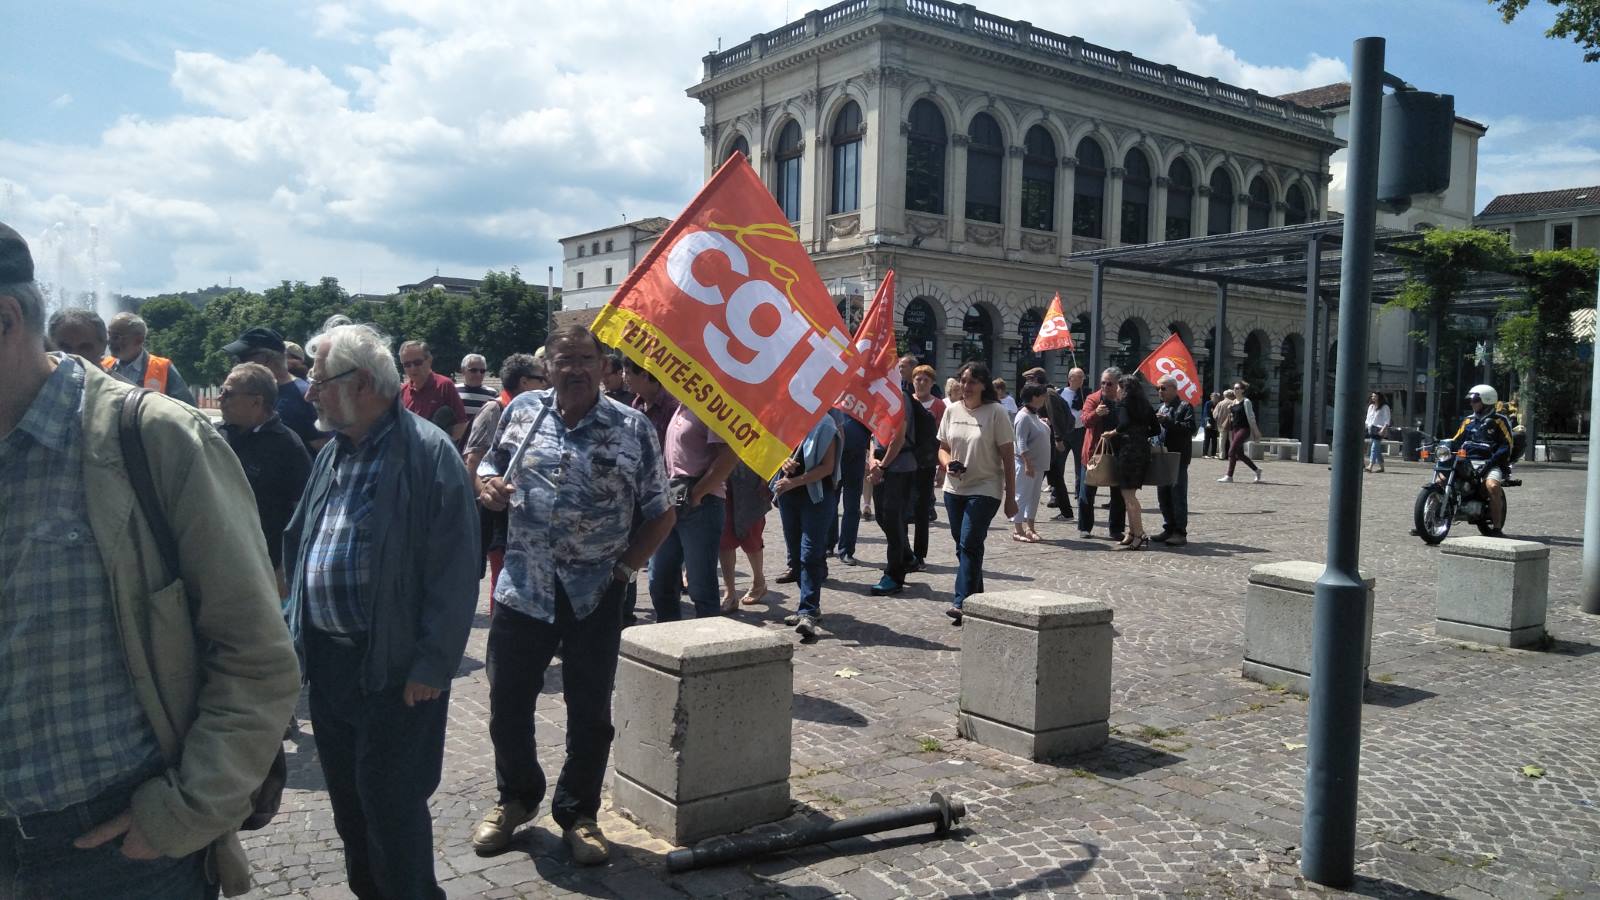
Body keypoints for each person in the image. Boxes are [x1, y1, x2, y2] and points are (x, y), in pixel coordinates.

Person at [0, 222, 300, 898]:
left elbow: (258, 655)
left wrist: (182, 814)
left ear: (6, 319)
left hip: (119, 855)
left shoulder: (156, 439)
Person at [283, 322, 480, 900]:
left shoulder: (427, 452)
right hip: (332, 667)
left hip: (394, 672)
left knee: (392, 815)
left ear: (361, 383)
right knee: (351, 813)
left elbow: (456, 567)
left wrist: (431, 664)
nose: (310, 392)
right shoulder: (333, 453)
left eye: (319, 381)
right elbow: (302, 548)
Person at [472, 326, 675, 865]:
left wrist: (627, 568)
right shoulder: (522, 413)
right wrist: (487, 486)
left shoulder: (631, 427)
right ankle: (516, 798)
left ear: (602, 364)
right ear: (551, 364)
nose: (576, 369)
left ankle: (578, 813)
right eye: (566, 360)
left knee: (590, 712)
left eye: (587, 359)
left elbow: (662, 510)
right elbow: (490, 465)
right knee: (507, 704)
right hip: (523, 588)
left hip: (595, 593)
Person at [217, 362, 312, 590]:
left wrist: (285, 568)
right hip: (219, 564)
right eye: (221, 391)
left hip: (267, 573)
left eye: (228, 393)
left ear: (256, 401)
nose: (220, 399)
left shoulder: (287, 446)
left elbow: (305, 515)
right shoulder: (218, 436)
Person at [937, 362, 1017, 625]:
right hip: (953, 489)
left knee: (969, 543)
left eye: (972, 381)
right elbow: (943, 447)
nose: (966, 386)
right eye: (962, 380)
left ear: (984, 385)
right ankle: (977, 598)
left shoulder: (996, 413)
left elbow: (1007, 457)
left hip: (985, 488)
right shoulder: (952, 411)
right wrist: (947, 463)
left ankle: (961, 603)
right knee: (964, 547)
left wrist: (1011, 498)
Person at [463, 354, 545, 598]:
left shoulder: (538, 411)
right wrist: (488, 495)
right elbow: (474, 461)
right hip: (498, 515)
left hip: (522, 517)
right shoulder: (495, 408)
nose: (546, 384)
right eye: (541, 379)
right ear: (524, 382)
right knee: (504, 583)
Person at [650, 403, 738, 619]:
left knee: (701, 587)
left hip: (703, 505)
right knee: (659, 580)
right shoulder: (680, 406)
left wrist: (696, 494)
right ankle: (668, 641)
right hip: (674, 498)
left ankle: (706, 644)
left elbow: (729, 457)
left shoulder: (710, 407)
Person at [773, 413, 841, 641]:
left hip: (816, 497)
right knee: (795, 554)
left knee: (810, 554)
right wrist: (783, 462)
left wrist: (795, 481)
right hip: (789, 497)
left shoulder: (826, 425)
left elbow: (827, 467)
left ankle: (809, 611)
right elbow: (774, 452)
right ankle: (808, 606)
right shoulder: (788, 420)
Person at [223, 326, 328, 452]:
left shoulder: (306, 397)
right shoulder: (248, 395)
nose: (238, 364)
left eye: (243, 358)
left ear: (264, 359)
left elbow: (324, 448)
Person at [867, 384, 916, 596]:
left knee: (893, 520)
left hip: (900, 468)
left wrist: (883, 466)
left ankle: (894, 575)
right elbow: (873, 434)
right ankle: (906, 556)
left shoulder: (900, 398)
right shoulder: (874, 396)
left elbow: (899, 437)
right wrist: (872, 461)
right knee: (882, 517)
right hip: (881, 466)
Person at [1105, 375, 1157, 550]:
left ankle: (1140, 534)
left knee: (1129, 496)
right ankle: (1132, 533)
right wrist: (1141, 436)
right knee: (1129, 494)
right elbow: (1156, 429)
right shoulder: (1146, 405)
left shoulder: (1124, 404)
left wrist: (1114, 432)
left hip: (1128, 452)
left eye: (1119, 388)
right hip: (1142, 450)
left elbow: (1125, 423)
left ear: (1125, 389)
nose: (1117, 391)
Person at [104, 311, 197, 406]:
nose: (109, 341)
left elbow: (188, 407)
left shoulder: (162, 367)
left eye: (116, 337)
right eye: (109, 335)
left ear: (138, 340)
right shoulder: (103, 366)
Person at [1452, 384, 1514, 527]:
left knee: (1492, 486)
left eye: (1475, 400)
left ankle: (1497, 527)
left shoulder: (1500, 421)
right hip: (1466, 461)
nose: (1471, 403)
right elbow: (1456, 440)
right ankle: (1427, 521)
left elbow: (1506, 446)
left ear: (1486, 401)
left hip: (1490, 462)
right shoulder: (1468, 420)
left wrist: (1489, 464)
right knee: (1441, 479)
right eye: (1471, 400)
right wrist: (1442, 445)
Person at [1078, 368, 1126, 541]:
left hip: (1118, 452)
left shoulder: (1123, 399)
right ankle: (1085, 527)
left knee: (1118, 494)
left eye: (1109, 383)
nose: (1105, 386)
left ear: (1118, 384)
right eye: (1103, 382)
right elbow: (1085, 421)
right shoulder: (1093, 399)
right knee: (1087, 492)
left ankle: (1116, 529)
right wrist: (1096, 414)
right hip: (1094, 453)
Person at [720, 462, 772, 611]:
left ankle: (759, 581)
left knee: (752, 536)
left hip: (752, 475)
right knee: (724, 538)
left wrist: (765, 476)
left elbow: (768, 445)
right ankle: (729, 591)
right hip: (722, 474)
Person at [1154, 374, 1197, 547]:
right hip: (1161, 456)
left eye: (1163, 388)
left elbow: (1190, 429)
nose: (1160, 392)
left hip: (1177, 456)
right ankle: (1168, 527)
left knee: (1177, 494)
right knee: (1163, 494)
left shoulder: (1184, 406)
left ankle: (1180, 532)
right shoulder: (1160, 407)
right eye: (1158, 388)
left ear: (1174, 388)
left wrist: (1168, 422)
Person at [398, 340, 468, 443]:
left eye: (417, 363)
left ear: (429, 360)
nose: (412, 368)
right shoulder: (402, 392)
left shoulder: (445, 385)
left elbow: (461, 424)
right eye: (407, 364)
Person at [908, 364, 944, 561]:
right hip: (905, 462)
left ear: (932, 383)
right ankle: (903, 551)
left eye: (925, 380)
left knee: (922, 510)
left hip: (926, 463)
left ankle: (919, 554)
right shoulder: (906, 401)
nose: (921, 383)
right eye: (918, 379)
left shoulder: (939, 406)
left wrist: (942, 468)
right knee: (902, 508)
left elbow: (944, 438)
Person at [1010, 384, 1051, 542]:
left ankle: (1030, 527)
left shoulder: (1034, 415)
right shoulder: (1023, 416)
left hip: (1038, 465)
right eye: (1042, 395)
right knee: (1022, 496)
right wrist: (1027, 463)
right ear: (1034, 397)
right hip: (1027, 464)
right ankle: (1018, 529)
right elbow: (1021, 442)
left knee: (1034, 497)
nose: (1044, 398)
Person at [831, 412, 872, 565]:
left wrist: (870, 454)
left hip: (857, 456)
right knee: (830, 502)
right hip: (834, 455)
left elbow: (872, 425)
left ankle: (846, 550)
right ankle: (828, 544)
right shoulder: (835, 395)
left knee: (852, 506)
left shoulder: (863, 395)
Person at [1218, 380, 1263, 483]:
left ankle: (1229, 476)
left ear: (1242, 390)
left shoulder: (1246, 401)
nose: (1235, 390)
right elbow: (1234, 417)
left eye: (1237, 388)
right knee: (1239, 454)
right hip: (1235, 429)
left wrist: (1256, 432)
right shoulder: (1234, 402)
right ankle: (1257, 470)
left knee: (1231, 451)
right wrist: (1230, 410)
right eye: (1234, 388)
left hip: (1244, 429)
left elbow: (1251, 417)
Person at [46, 307, 114, 363]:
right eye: (65, 347)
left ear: (103, 347)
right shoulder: (38, 379)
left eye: (85, 348)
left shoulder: (117, 380)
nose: (74, 356)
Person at [456, 353, 498, 421]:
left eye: (482, 371)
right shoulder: (454, 391)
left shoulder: (492, 394)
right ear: (463, 371)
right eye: (473, 370)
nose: (478, 374)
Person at [1365, 391, 1392, 474]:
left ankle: (1370, 465)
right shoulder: (1371, 406)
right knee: (1377, 449)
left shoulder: (1384, 407)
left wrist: (1383, 429)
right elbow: (1368, 419)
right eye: (1372, 396)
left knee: (1374, 447)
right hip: (1371, 428)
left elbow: (1387, 419)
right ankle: (1382, 467)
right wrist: (1366, 427)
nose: (1373, 398)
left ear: (1379, 397)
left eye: (1375, 396)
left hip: (1379, 428)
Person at [1201, 391, 1220, 458]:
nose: (1216, 398)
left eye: (1217, 397)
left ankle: (1213, 454)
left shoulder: (1218, 404)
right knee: (1207, 439)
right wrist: (1207, 422)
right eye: (1214, 397)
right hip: (1208, 424)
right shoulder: (1208, 403)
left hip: (1215, 424)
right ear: (1211, 397)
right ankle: (1205, 454)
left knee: (1214, 440)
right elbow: (1206, 413)